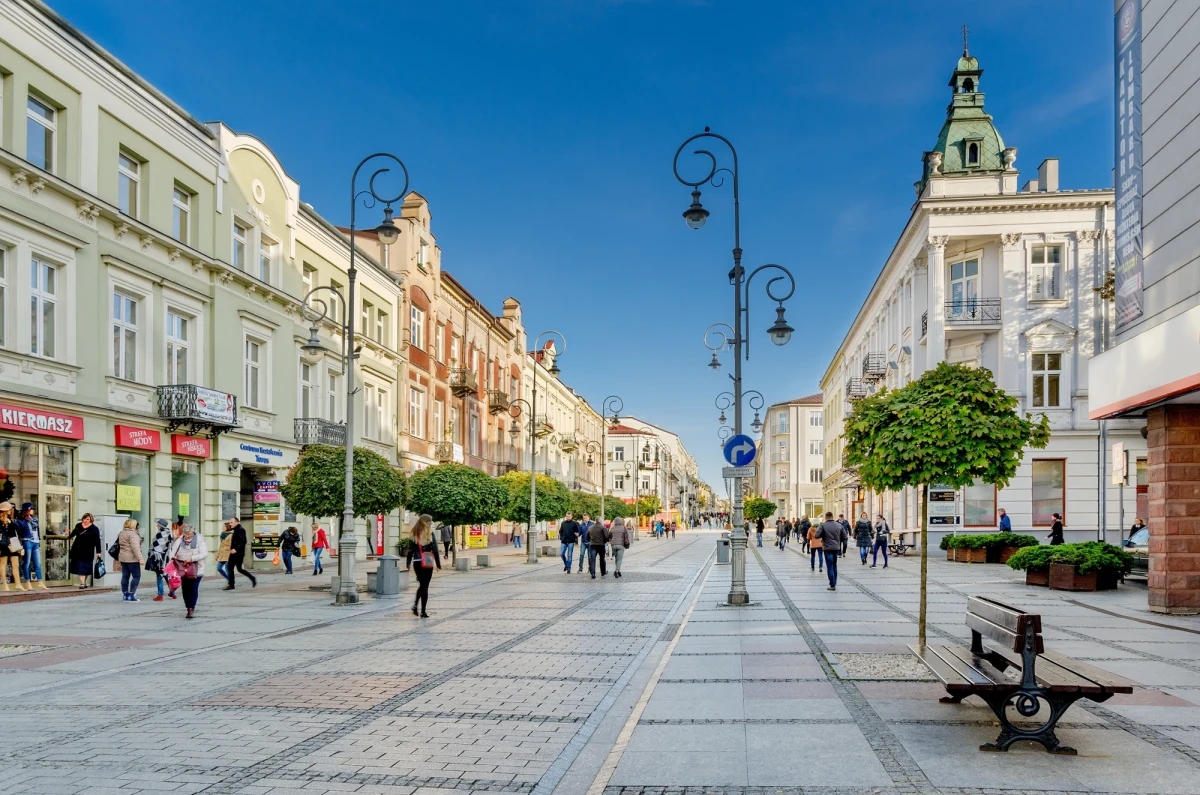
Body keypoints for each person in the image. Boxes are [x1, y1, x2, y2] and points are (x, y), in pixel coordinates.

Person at [404, 514, 441, 617]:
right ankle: (423, 611)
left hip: (417, 562)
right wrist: (438, 564)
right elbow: (435, 550)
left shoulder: (414, 534)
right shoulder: (430, 534)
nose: (431, 524)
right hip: (427, 561)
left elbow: (410, 550)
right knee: (425, 586)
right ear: (426, 522)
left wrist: (408, 563)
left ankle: (415, 605)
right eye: (430, 522)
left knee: (422, 585)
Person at [169, 524, 207, 619]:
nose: (187, 536)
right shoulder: (180, 540)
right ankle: (188, 607)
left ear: (193, 532)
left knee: (193, 588)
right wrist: (173, 557)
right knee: (185, 589)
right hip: (182, 567)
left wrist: (192, 558)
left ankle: (191, 608)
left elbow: (204, 553)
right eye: (185, 534)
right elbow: (173, 552)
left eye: (189, 534)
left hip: (196, 568)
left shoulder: (199, 540)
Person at [815, 512, 849, 590]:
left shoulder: (823, 525)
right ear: (832, 517)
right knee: (834, 565)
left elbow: (816, 535)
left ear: (826, 518)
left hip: (827, 548)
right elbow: (845, 536)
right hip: (836, 548)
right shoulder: (839, 525)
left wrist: (823, 536)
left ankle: (832, 584)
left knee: (829, 566)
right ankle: (834, 582)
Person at [67, 513, 102, 589]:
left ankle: (84, 582)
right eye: (84, 519)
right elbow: (73, 533)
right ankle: (82, 583)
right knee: (80, 566)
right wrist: (68, 537)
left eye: (87, 519)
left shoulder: (94, 529)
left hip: (88, 550)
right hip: (77, 549)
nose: (85, 521)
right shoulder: (78, 526)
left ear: (91, 520)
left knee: (86, 568)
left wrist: (98, 552)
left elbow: (97, 541)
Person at [17, 503, 45, 589]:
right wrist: (20, 545)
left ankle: (40, 581)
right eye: (31, 509)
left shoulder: (35, 519)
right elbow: (19, 534)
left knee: (38, 563)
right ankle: (27, 582)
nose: (33, 510)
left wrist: (39, 544)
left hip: (35, 542)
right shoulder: (20, 521)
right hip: (27, 541)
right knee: (27, 563)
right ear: (27, 510)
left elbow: (37, 532)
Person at [116, 518, 145, 602]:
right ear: (133, 525)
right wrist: (140, 558)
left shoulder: (121, 533)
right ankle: (131, 595)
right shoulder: (133, 534)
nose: (137, 525)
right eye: (136, 524)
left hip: (123, 558)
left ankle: (125, 594)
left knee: (125, 576)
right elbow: (135, 548)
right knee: (136, 576)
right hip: (132, 558)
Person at [224, 516, 256, 589]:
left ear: (237, 522)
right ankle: (231, 584)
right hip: (233, 553)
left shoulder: (240, 530)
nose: (230, 524)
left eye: (231, 522)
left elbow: (243, 541)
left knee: (239, 569)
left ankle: (252, 578)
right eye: (229, 522)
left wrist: (236, 549)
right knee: (230, 568)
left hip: (238, 553)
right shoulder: (235, 529)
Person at [148, 519, 177, 601]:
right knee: (166, 575)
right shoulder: (169, 533)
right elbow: (171, 545)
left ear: (160, 526)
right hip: (167, 557)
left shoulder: (160, 534)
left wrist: (151, 553)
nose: (157, 526)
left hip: (159, 558)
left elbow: (155, 546)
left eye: (158, 525)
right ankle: (172, 593)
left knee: (159, 576)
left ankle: (160, 595)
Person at [0, 502, 25, 591]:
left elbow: (16, 534)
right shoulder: (1, 521)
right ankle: (5, 585)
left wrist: (19, 545)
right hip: (3, 544)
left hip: (13, 544)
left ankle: (18, 584)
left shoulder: (12, 520)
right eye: (9, 509)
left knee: (16, 564)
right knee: (3, 564)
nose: (11, 510)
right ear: (5, 510)